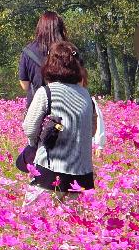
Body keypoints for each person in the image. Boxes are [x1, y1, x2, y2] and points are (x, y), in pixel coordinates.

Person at [22, 41, 96, 196]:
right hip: (82, 175)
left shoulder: (46, 93)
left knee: (35, 211)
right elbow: (91, 131)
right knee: (74, 213)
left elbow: (29, 128)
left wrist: (34, 145)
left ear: (50, 64)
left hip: (50, 171)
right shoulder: (86, 95)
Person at [18, 11, 68, 103]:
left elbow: (25, 85)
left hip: (37, 104)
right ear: (60, 28)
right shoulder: (69, 50)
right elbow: (80, 82)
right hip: (64, 105)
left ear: (40, 28)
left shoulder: (28, 52)